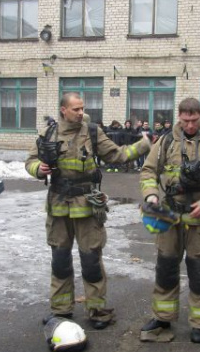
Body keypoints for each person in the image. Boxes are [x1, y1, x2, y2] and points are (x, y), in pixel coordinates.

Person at [26, 93, 151, 329]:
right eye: (75, 109)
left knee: (91, 260)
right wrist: (38, 169)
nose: (80, 112)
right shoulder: (48, 134)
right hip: (59, 205)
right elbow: (30, 160)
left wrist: (143, 145)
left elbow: (117, 154)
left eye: (82, 108)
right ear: (63, 110)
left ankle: (98, 310)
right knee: (60, 261)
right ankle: (61, 310)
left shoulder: (92, 132)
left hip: (87, 206)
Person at [139, 98, 200, 343]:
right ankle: (163, 317)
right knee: (166, 270)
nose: (190, 125)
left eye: (194, 120)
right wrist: (151, 194)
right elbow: (149, 170)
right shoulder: (166, 142)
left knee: (199, 273)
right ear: (179, 117)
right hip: (170, 218)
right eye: (185, 120)